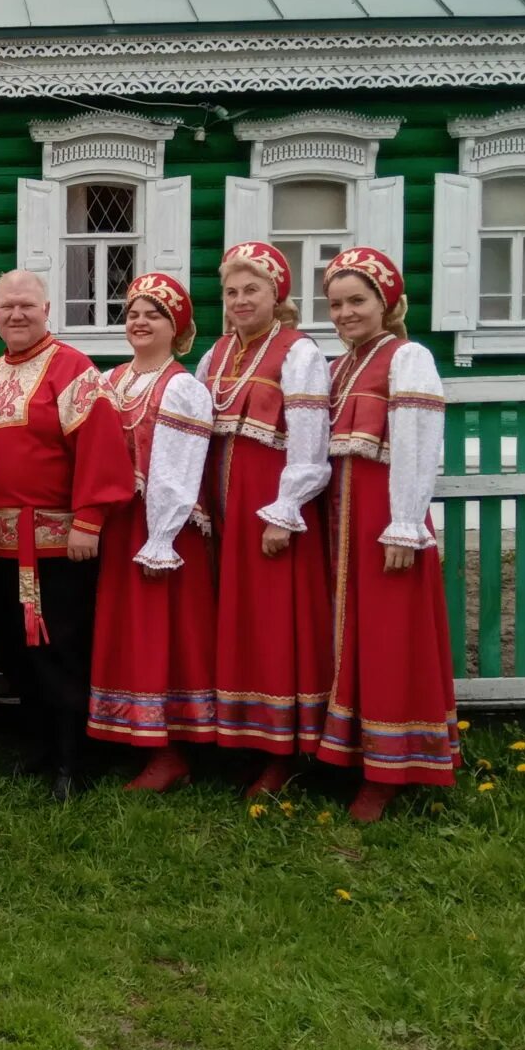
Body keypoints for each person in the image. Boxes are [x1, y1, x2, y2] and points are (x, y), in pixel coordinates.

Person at [0, 269, 135, 800]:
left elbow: (102, 446)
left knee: (58, 649)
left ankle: (72, 760)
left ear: (47, 310)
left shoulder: (73, 369)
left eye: (26, 305)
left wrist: (89, 519)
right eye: (5, 307)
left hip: (54, 545)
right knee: (13, 652)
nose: (15, 315)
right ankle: (39, 745)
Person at [315, 247, 459, 821]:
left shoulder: (408, 357)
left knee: (389, 639)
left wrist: (405, 523)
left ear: (387, 303)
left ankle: (393, 768)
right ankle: (351, 754)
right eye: (336, 304)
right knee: (348, 637)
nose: (346, 312)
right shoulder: (337, 367)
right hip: (339, 522)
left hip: (383, 522)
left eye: (358, 300)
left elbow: (419, 443)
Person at [195, 242, 332, 798]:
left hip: (271, 513)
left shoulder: (299, 354)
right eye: (231, 292)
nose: (240, 300)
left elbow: (310, 445)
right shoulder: (216, 355)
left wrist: (287, 508)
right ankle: (241, 738)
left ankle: (284, 749)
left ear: (278, 294)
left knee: (275, 625)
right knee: (235, 621)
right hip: (224, 511)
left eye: (252, 289)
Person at [87, 273, 217, 792]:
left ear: (177, 328)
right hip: (120, 524)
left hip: (163, 528)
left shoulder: (181, 387)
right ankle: (132, 734)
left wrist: (160, 536)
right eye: (134, 312)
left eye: (154, 314)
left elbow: (179, 470)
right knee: (124, 628)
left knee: (161, 630)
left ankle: (172, 748)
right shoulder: (111, 380)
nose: (140, 321)